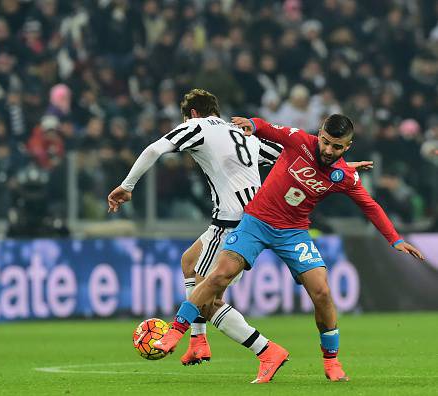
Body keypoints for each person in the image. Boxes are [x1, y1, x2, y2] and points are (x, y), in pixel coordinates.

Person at [153, 114, 425, 383]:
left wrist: (395, 239)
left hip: (294, 233)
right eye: (326, 142)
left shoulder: (345, 176)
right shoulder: (299, 141)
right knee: (218, 275)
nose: (329, 150)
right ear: (319, 135)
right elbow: (268, 128)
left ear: (348, 147)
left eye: (337, 147)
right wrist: (253, 123)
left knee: (322, 291)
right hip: (256, 222)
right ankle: (176, 331)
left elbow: (370, 206)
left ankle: (332, 361)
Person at [108, 89, 369, 366]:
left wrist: (127, 186)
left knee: (207, 300)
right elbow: (297, 157)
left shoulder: (195, 127)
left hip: (231, 220)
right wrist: (341, 167)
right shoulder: (240, 133)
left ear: (193, 114)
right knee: (189, 262)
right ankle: (198, 342)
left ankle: (266, 351)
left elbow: (155, 148)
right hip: (255, 216)